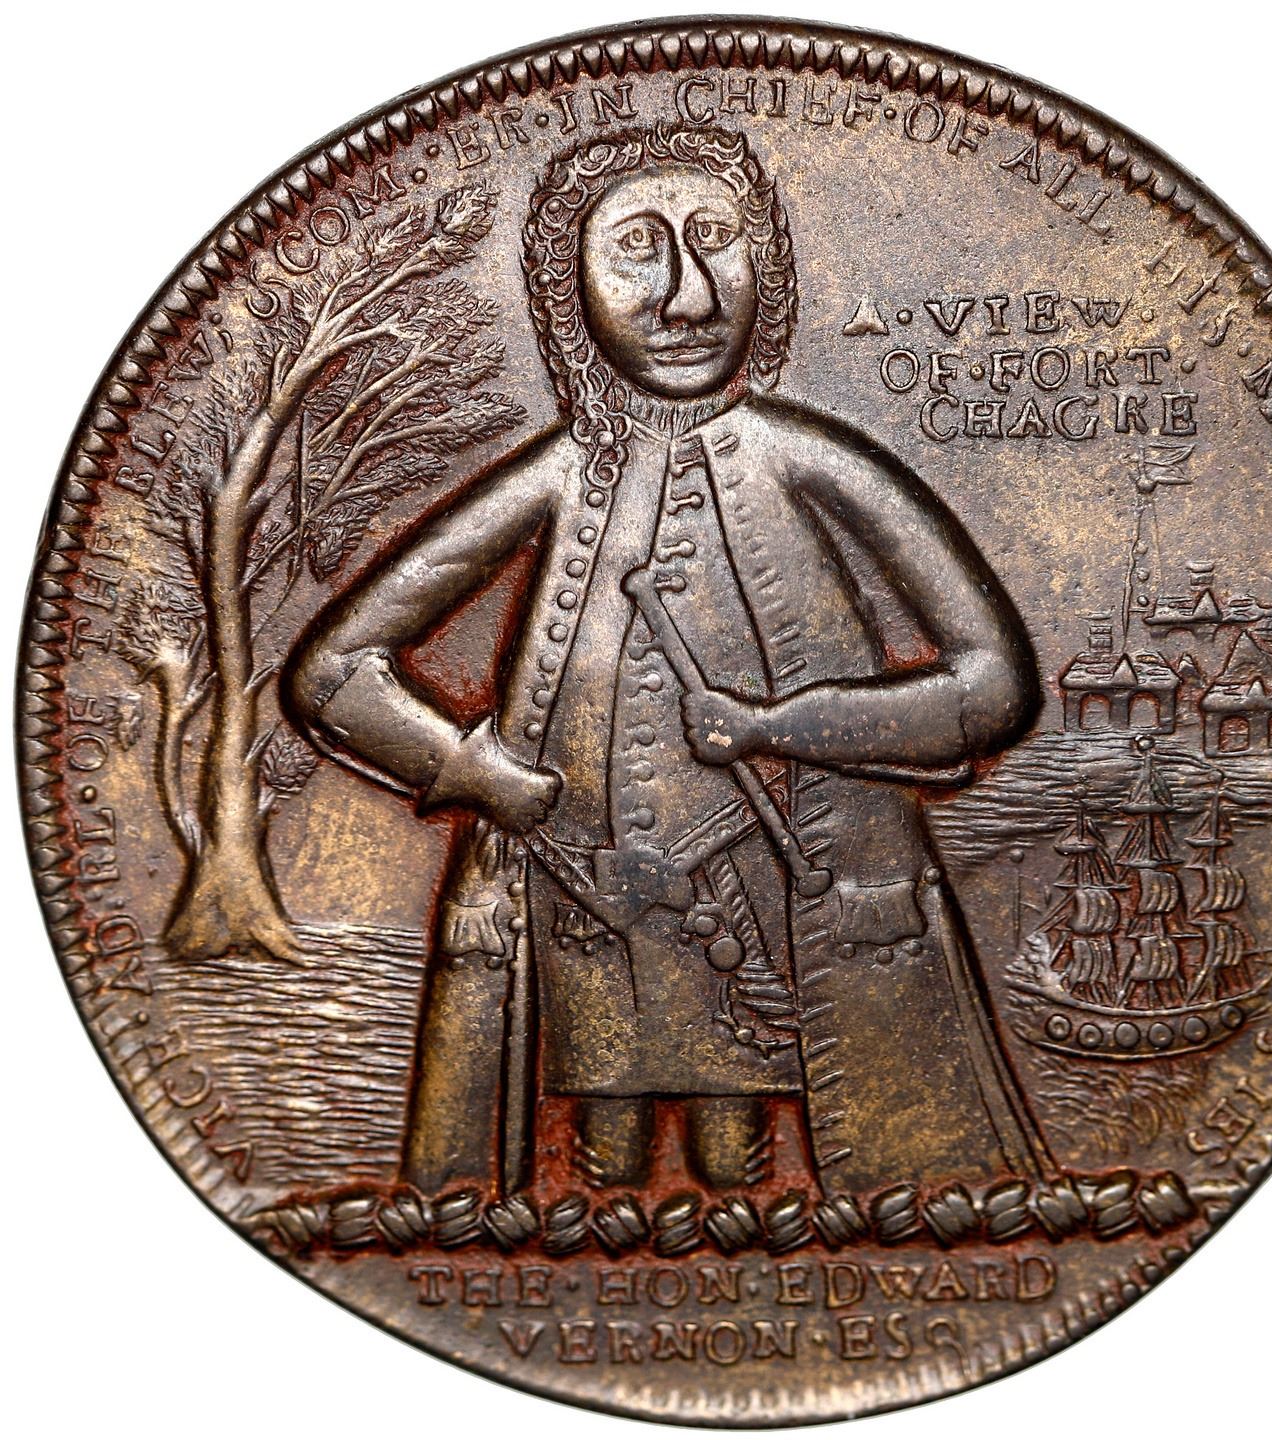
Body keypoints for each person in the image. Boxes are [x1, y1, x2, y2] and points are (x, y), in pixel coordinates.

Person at [288, 122, 1055, 1199]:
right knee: (601, 1169)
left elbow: (994, 687)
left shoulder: (812, 462)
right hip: (580, 897)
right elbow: (332, 671)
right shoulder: (556, 478)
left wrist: (784, 727)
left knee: (740, 1163)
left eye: (716, 242)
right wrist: (475, 773)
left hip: (779, 892)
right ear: (568, 295)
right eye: (638, 250)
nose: (688, 298)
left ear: (767, 275)